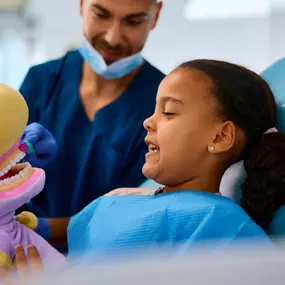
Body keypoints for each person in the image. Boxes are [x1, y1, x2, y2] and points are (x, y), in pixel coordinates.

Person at [16, 59, 285, 267]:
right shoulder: (126, 198)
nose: (148, 121)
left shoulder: (218, 222)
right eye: (155, 109)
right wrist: (21, 224)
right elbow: (76, 229)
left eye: (168, 112)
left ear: (221, 136)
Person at [19, 0, 165, 218]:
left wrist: (42, 230)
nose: (112, 38)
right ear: (81, 5)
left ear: (156, 15)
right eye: (101, 15)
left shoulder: (165, 103)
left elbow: (143, 211)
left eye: (133, 21)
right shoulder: (41, 81)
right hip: (25, 247)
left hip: (119, 250)